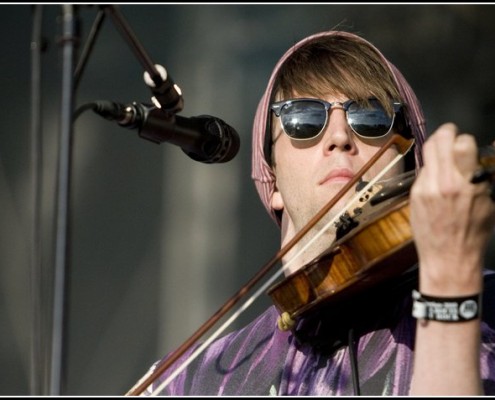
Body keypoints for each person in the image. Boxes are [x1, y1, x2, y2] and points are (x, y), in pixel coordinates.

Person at [137, 30, 495, 396]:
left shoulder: (488, 306)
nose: (339, 134)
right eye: (304, 118)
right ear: (272, 180)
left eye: (371, 116)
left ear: (409, 166)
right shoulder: (194, 380)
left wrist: (451, 278)